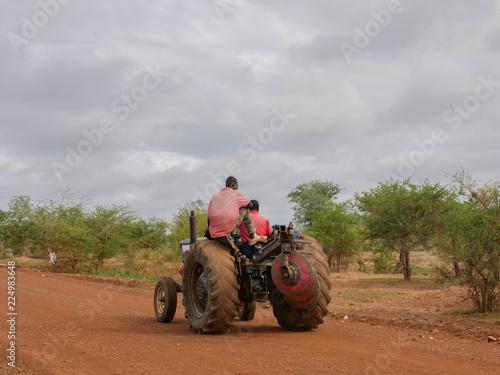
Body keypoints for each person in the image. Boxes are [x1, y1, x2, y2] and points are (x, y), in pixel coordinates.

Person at [207, 176, 267, 246]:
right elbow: (250, 205)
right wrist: (239, 206)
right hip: (227, 228)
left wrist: (209, 228)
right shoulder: (236, 193)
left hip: (213, 231)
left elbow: (209, 214)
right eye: (237, 186)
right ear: (232, 185)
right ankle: (253, 236)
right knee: (246, 210)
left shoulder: (215, 196)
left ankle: (210, 231)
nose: (237, 188)